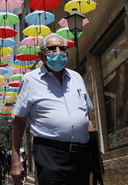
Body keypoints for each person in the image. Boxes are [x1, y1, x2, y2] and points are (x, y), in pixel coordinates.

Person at [10, 33, 95, 185]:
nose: (58, 51)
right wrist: (16, 161)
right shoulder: (30, 80)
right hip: (50, 153)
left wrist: (95, 152)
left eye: (62, 48)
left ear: (67, 53)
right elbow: (19, 122)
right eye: (51, 48)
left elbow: (86, 117)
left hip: (81, 154)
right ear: (41, 55)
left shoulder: (76, 77)